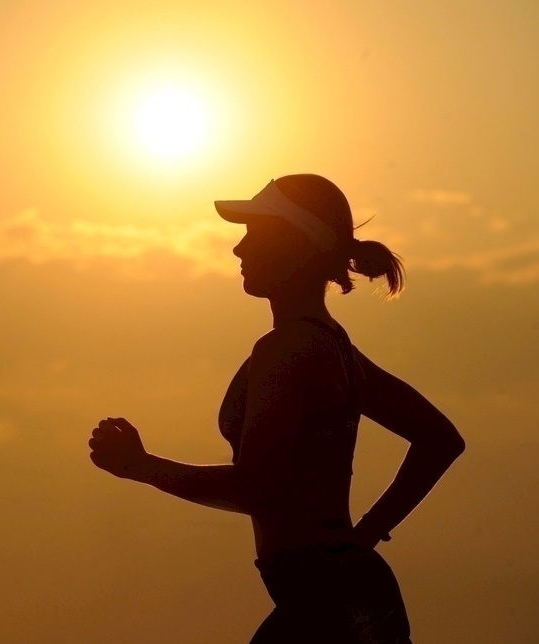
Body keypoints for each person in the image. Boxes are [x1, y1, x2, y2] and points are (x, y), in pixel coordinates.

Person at [87, 174, 466, 643]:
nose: (238, 250)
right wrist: (366, 534)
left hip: (330, 604)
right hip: (343, 597)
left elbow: (257, 489)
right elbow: (440, 440)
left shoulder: (287, 348)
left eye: (254, 233)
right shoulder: (333, 346)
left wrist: (142, 467)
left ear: (296, 245)